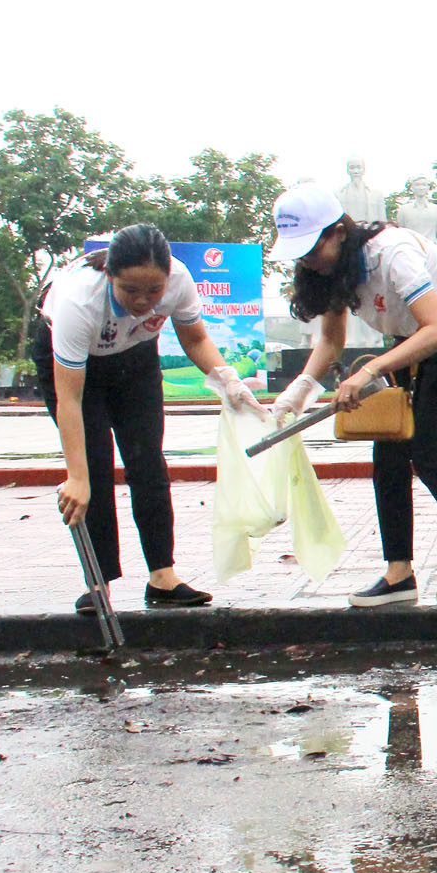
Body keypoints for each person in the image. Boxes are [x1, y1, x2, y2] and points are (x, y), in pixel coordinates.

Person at [268, 182, 437, 606]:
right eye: (300, 253)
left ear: (338, 232)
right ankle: (398, 573)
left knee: (432, 453)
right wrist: (300, 389)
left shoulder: (392, 252)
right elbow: (330, 340)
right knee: (388, 452)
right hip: (410, 343)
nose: (308, 260)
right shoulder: (330, 270)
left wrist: (371, 371)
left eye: (312, 248)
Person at [38, 223, 265, 612]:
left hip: (135, 357)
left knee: (148, 463)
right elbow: (70, 399)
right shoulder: (79, 300)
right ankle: (99, 583)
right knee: (92, 469)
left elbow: (194, 338)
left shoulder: (178, 278)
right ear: (110, 275)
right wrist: (76, 478)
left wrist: (228, 380)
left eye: (153, 291)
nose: (143, 301)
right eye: (130, 290)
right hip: (76, 369)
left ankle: (162, 577)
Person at [395, 175, 437, 252]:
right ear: (412, 188)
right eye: (417, 185)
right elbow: (400, 235)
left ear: (428, 188)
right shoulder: (404, 210)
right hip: (411, 252)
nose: (421, 187)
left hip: (431, 251)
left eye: (424, 185)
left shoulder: (436, 209)